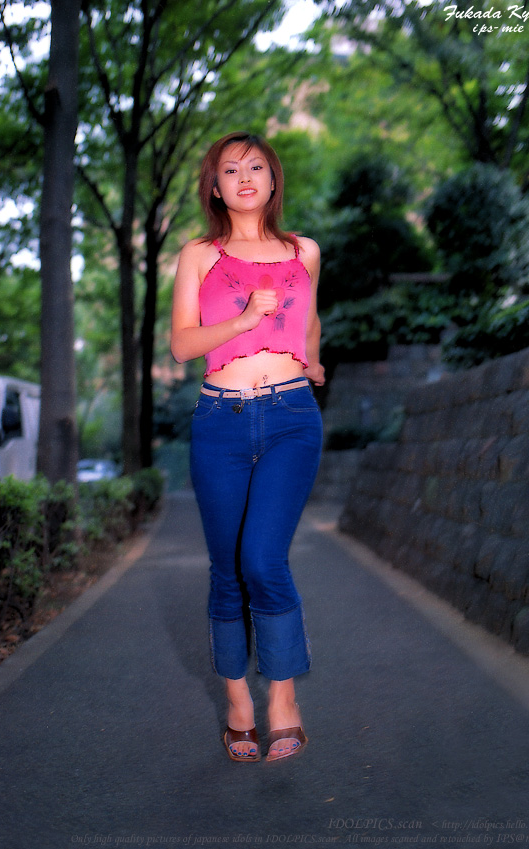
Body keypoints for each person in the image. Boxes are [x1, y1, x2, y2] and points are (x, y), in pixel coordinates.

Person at [171, 131, 325, 763]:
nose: (244, 177)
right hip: (220, 422)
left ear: (273, 179)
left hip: (291, 416)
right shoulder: (198, 255)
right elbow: (181, 345)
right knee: (227, 570)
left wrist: (313, 359)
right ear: (214, 186)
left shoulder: (304, 251)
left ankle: (282, 697)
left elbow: (310, 319)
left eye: (256, 166)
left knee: (262, 559)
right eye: (229, 169)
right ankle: (238, 700)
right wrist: (241, 321)